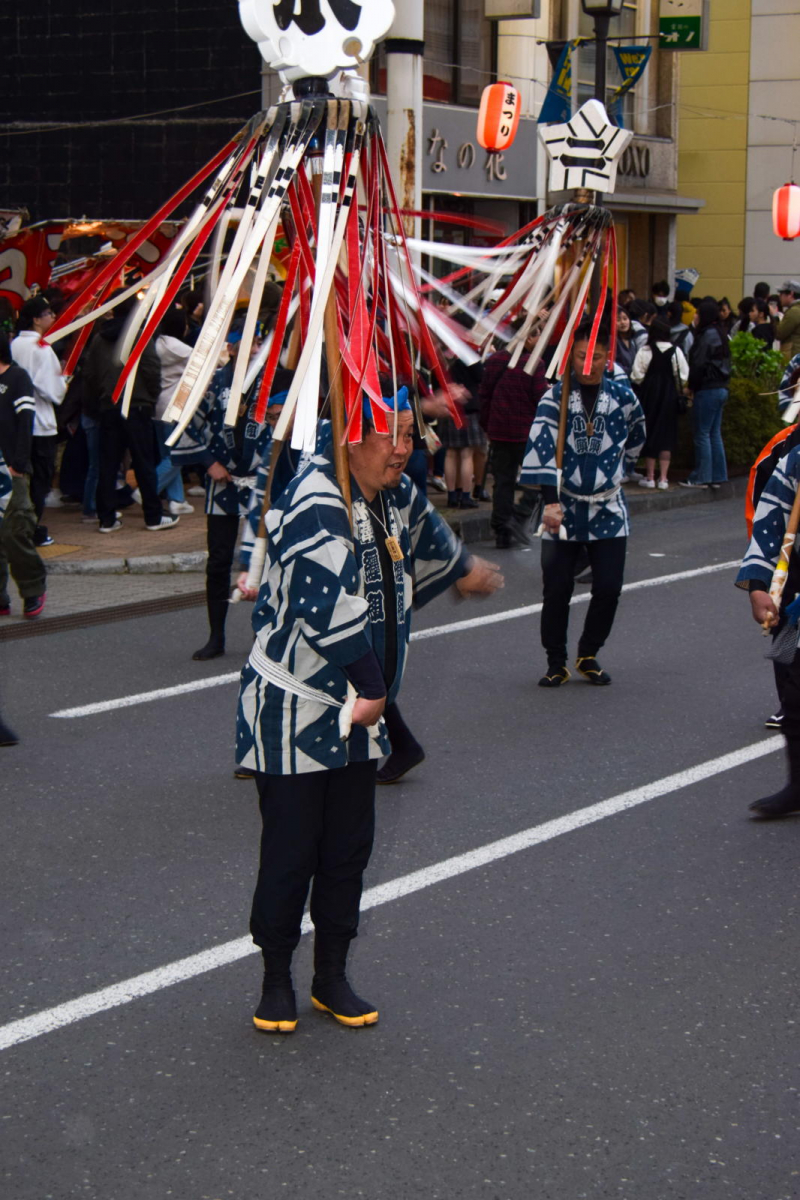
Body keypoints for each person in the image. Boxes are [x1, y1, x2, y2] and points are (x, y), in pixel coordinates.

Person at [235, 388, 503, 1033]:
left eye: (413, 435)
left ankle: (331, 975)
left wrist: (462, 566)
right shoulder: (315, 497)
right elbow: (322, 603)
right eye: (395, 435)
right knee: (292, 852)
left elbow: (427, 528)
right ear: (352, 437)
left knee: (349, 850)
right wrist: (374, 689)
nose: (406, 450)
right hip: (296, 712)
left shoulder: (389, 494)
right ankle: (276, 978)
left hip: (360, 710)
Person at [520, 320, 645, 688]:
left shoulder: (624, 398)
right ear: (570, 358)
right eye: (580, 357)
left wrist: (620, 470)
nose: (587, 366)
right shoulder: (554, 399)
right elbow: (541, 450)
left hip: (609, 506)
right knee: (556, 589)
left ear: (608, 358)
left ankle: (588, 652)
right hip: (565, 507)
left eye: (596, 358)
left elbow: (637, 437)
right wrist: (551, 502)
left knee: (608, 586)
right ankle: (555, 661)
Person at [186, 328, 279, 661]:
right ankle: (216, 636)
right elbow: (184, 421)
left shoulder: (272, 382)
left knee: (264, 559)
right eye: (249, 341)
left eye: (259, 342)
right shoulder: (214, 382)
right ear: (231, 344)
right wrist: (208, 462)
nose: (255, 348)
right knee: (219, 561)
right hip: (222, 483)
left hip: (262, 483)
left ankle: (262, 634)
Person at [736, 445, 800, 817]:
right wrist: (759, 585)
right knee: (794, 693)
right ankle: (798, 784)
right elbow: (770, 519)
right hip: (797, 597)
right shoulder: (794, 457)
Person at [81, 297, 178, 534]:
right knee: (144, 462)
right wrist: (150, 396)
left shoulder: (98, 338)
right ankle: (153, 517)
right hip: (138, 405)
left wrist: (101, 399)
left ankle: (107, 519)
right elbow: (151, 367)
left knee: (108, 463)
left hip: (109, 406)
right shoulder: (140, 335)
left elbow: (90, 374)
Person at [478, 328, 548, 548]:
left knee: (503, 482)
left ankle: (501, 529)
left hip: (499, 430)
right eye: (537, 335)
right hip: (526, 431)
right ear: (528, 336)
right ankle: (519, 516)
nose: (540, 340)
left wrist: (487, 424)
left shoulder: (495, 360)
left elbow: (484, 394)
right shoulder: (535, 363)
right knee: (537, 480)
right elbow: (540, 398)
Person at [10, 296, 67, 546]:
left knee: (19, 477)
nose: (52, 317)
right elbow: (53, 390)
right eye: (48, 313)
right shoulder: (42, 348)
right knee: (41, 479)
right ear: (36, 319)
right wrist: (64, 381)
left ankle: (19, 527)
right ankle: (32, 530)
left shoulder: (13, 345)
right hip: (40, 421)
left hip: (15, 421)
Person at [0, 332, 47, 619]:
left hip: (9, 468)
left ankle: (32, 589)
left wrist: (18, 461)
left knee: (16, 530)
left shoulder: (17, 378)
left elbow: (25, 420)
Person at [631, 318, 688, 490]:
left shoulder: (645, 350)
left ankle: (649, 477)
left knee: (650, 431)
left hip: (649, 396)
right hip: (669, 397)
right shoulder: (676, 351)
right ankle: (663, 478)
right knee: (666, 435)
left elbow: (636, 375)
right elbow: (683, 375)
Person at [680, 299, 731, 490]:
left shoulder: (706, 335)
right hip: (722, 387)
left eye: (698, 313)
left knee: (702, 433)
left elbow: (698, 364)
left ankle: (701, 476)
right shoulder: (721, 332)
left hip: (707, 388)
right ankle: (718, 475)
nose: (695, 316)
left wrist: (691, 386)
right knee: (714, 433)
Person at [153, 307, 194, 515]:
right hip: (176, 407)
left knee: (167, 453)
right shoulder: (181, 348)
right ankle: (148, 490)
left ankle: (177, 499)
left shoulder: (156, 344)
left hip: (158, 406)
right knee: (178, 454)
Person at [776, 280, 800, 360]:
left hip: (794, 356)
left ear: (791, 294)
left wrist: (775, 317)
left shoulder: (794, 312)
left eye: (781, 294)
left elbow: (779, 333)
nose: (780, 297)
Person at [614, 307, 639, 376]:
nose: (622, 322)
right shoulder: (612, 341)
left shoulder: (632, 340)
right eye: (618, 320)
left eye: (625, 319)